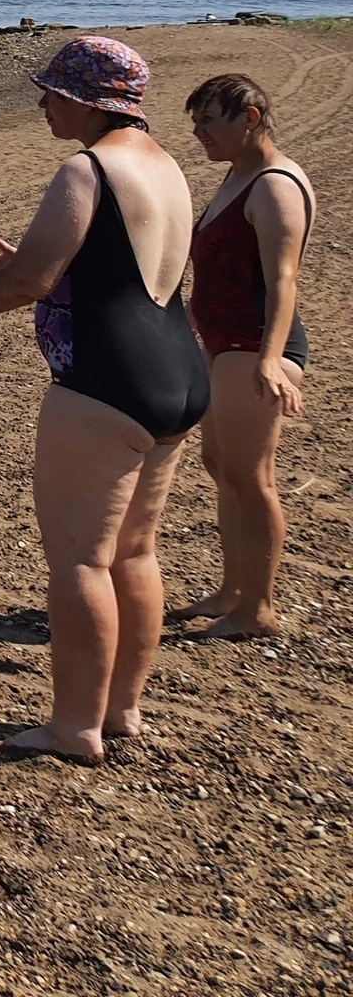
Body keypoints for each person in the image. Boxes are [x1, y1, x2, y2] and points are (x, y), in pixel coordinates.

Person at [0, 36, 208, 762]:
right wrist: (32, 263)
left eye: (52, 92)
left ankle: (74, 727)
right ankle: (122, 710)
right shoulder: (165, 164)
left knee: (80, 562)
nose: (42, 104)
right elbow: (128, 261)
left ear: (87, 100)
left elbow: (28, 285)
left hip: (106, 384)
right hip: (177, 370)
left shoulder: (87, 168)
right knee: (136, 551)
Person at [173, 72, 316, 639]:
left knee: (251, 476)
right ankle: (232, 590)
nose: (199, 133)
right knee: (221, 467)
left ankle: (257, 608)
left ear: (250, 119)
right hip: (224, 341)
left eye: (209, 120)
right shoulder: (239, 176)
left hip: (254, 344)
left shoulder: (275, 185)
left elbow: (285, 279)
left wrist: (268, 357)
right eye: (195, 122)